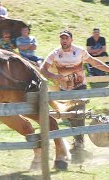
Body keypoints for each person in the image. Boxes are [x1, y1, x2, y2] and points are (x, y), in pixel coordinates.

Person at [40, 30, 109, 163]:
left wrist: (108, 69)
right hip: (65, 89)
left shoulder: (79, 51)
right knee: (70, 116)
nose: (63, 40)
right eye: (62, 38)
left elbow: (94, 62)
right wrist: (54, 76)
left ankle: (79, 143)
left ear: (71, 39)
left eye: (66, 38)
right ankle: (78, 141)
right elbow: (43, 69)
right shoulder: (55, 53)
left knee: (80, 113)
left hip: (80, 87)